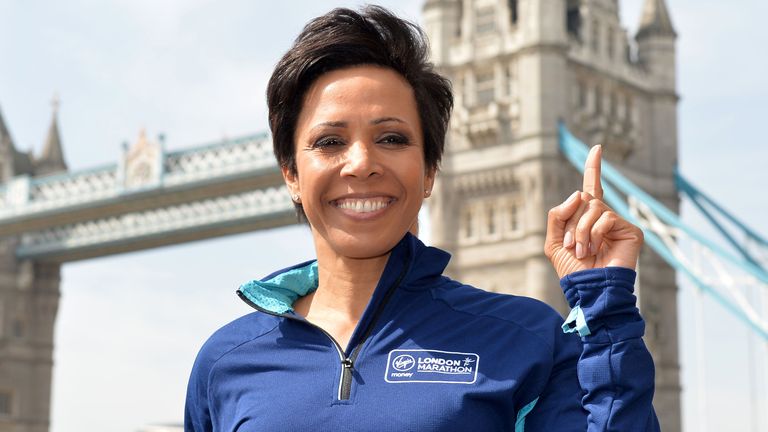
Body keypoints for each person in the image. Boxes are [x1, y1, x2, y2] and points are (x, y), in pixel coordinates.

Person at [185, 6, 659, 431]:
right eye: (329, 142)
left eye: (391, 138)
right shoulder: (226, 361)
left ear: (430, 171)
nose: (361, 163)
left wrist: (603, 305)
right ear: (291, 173)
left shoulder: (526, 340)